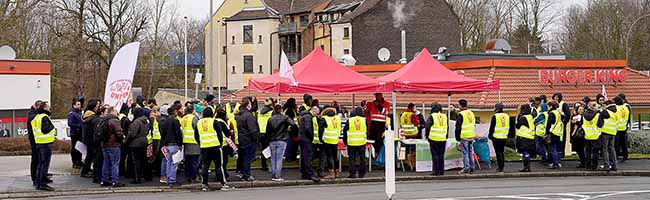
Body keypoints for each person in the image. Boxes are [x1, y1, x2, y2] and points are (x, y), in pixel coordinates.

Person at [198, 107, 232, 191]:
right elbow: (219, 134)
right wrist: (220, 144)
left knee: (205, 166)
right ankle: (223, 183)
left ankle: (204, 184)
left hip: (204, 147)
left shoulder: (199, 122)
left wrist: (200, 143)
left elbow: (196, 135)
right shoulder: (214, 121)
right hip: (215, 146)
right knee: (218, 166)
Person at [265, 105, 296, 181]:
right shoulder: (285, 117)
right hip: (282, 139)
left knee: (273, 158)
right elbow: (293, 125)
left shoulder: (270, 119)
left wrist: (268, 140)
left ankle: (273, 175)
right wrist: (288, 130)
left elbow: (267, 132)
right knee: (279, 158)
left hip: (272, 140)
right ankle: (277, 175)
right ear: (281, 110)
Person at [31, 101, 56, 191]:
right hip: (45, 144)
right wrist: (52, 127)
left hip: (39, 143)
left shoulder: (37, 117)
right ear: (44, 108)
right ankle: (42, 184)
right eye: (48, 107)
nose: (49, 108)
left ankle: (38, 182)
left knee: (40, 164)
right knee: (44, 164)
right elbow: (45, 130)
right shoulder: (44, 117)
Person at [100, 106, 125, 187]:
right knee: (115, 163)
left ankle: (104, 180)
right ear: (112, 111)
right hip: (114, 145)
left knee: (106, 162)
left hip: (104, 144)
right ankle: (115, 181)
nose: (117, 112)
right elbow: (119, 133)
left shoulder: (103, 120)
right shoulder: (114, 120)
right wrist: (122, 139)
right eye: (116, 111)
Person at [236, 99, 259, 181]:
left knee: (243, 157)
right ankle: (247, 175)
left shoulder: (239, 115)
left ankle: (242, 173)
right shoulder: (249, 116)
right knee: (248, 158)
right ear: (248, 105)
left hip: (242, 139)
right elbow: (252, 129)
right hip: (249, 140)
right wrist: (256, 138)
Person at [160, 104, 183, 187]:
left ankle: (168, 178)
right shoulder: (175, 121)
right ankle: (172, 180)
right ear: (174, 112)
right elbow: (178, 133)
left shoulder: (164, 121)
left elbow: (163, 133)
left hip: (167, 144)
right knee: (174, 163)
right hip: (174, 144)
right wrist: (180, 143)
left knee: (168, 162)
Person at [127, 107, 151, 184]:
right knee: (144, 160)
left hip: (136, 143)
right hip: (144, 141)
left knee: (136, 161)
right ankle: (147, 176)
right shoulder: (146, 121)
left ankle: (137, 178)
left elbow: (132, 134)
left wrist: (126, 140)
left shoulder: (136, 122)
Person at [81, 100, 103, 183]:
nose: (98, 107)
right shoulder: (92, 116)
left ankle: (86, 170)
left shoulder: (85, 114)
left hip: (87, 137)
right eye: (97, 106)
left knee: (89, 155)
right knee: (91, 155)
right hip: (91, 138)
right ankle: (86, 171)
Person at [342, 107, 367, 178]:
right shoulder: (364, 120)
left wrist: (345, 141)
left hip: (351, 142)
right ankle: (361, 173)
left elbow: (345, 131)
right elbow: (367, 129)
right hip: (361, 142)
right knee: (362, 158)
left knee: (352, 159)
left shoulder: (349, 120)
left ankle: (352, 173)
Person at [298, 106, 321, 182]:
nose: (316, 115)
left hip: (302, 138)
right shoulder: (308, 117)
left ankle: (304, 173)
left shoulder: (304, 115)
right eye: (317, 113)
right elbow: (308, 128)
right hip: (306, 139)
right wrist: (311, 137)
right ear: (314, 111)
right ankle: (309, 174)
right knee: (308, 156)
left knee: (304, 156)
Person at [28, 100, 48, 186]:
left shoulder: (35, 114)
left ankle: (41, 176)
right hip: (35, 140)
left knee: (40, 160)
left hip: (38, 140)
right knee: (36, 160)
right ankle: (35, 178)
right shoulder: (33, 115)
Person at [425, 103, 447, 176]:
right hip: (443, 139)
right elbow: (447, 127)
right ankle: (441, 171)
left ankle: (436, 171)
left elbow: (427, 126)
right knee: (441, 155)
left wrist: (427, 135)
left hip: (433, 138)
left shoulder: (432, 116)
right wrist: (445, 136)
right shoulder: (444, 116)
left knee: (435, 155)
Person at [455, 99, 476, 174]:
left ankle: (466, 167)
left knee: (465, 152)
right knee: (470, 151)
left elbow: (458, 127)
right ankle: (472, 166)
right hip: (471, 135)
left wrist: (457, 137)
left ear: (460, 105)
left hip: (464, 135)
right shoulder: (471, 113)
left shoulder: (461, 114)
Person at [319, 107, 341, 179]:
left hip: (327, 139)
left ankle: (331, 173)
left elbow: (321, 130)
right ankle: (337, 172)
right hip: (335, 139)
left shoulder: (324, 118)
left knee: (329, 157)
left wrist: (320, 138)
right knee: (335, 156)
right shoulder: (337, 118)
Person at [488, 103, 511, 173]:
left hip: (496, 137)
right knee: (502, 152)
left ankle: (500, 167)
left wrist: (490, 135)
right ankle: (502, 166)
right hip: (504, 137)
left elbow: (492, 127)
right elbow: (510, 126)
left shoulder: (495, 116)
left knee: (498, 152)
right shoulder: (507, 116)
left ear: (496, 109)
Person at [181, 104, 201, 183]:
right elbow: (197, 129)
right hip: (194, 141)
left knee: (187, 161)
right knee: (195, 161)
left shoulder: (183, 118)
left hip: (186, 141)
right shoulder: (194, 118)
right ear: (193, 110)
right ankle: (194, 176)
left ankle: (188, 176)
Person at [582, 102, 603, 171]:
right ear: (594, 107)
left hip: (586, 135)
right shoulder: (597, 115)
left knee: (587, 151)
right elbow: (600, 124)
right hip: (595, 135)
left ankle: (587, 165)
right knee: (595, 152)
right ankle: (594, 166)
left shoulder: (584, 114)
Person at [516, 104, 535, 172]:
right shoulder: (530, 116)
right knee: (527, 152)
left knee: (524, 152)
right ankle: (527, 167)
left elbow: (517, 126)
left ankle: (526, 167)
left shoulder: (523, 118)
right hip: (530, 137)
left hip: (524, 137)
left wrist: (518, 114)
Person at [215, 109, 233, 180]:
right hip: (223, 145)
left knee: (217, 162)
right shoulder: (222, 122)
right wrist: (231, 132)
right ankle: (223, 175)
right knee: (223, 162)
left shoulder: (214, 121)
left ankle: (218, 175)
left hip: (215, 143)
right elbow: (227, 133)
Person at [600, 100, 618, 172]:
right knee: (612, 149)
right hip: (613, 132)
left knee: (605, 150)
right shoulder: (616, 112)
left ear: (608, 105)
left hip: (605, 132)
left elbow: (600, 115)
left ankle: (606, 165)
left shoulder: (607, 112)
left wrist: (602, 109)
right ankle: (614, 165)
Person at [257, 97, 274, 172]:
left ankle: (263, 165)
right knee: (271, 149)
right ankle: (271, 166)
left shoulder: (259, 112)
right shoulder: (271, 113)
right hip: (268, 133)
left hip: (260, 133)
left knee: (263, 149)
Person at [545, 101, 563, 169]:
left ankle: (555, 163)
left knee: (553, 149)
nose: (547, 108)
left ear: (551, 106)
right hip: (558, 132)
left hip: (552, 132)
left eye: (548, 106)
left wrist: (547, 132)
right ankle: (558, 162)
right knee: (557, 149)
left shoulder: (552, 113)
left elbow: (549, 124)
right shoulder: (558, 113)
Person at [552, 93, 570, 158]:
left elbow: (567, 114)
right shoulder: (552, 104)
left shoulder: (563, 104)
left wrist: (564, 121)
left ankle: (562, 153)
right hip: (555, 125)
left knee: (562, 139)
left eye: (557, 97)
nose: (556, 98)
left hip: (562, 124)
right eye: (555, 97)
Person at [67, 98, 84, 169]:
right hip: (75, 133)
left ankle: (79, 160)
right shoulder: (72, 113)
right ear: (74, 105)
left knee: (80, 147)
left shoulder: (79, 112)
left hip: (80, 133)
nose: (79, 105)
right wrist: (79, 125)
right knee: (74, 148)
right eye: (78, 104)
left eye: (80, 104)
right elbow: (70, 123)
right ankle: (75, 162)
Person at [117, 103, 132, 179]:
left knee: (120, 158)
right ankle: (124, 172)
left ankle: (120, 171)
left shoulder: (117, 117)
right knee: (125, 157)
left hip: (118, 140)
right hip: (125, 141)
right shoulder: (126, 120)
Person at [614, 95, 631, 162]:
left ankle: (616, 156)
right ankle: (625, 156)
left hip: (617, 128)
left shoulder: (616, 108)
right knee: (624, 143)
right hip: (624, 127)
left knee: (617, 143)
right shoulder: (626, 107)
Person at [283, 98, 300, 163]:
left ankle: (291, 157)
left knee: (292, 144)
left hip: (291, 129)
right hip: (291, 130)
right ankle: (290, 157)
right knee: (291, 144)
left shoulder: (288, 109)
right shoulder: (290, 110)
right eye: (294, 102)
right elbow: (290, 120)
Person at [156, 105, 170, 184]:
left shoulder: (161, 120)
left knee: (165, 159)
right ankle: (163, 175)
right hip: (164, 142)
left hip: (163, 141)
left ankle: (164, 175)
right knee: (165, 159)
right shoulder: (163, 120)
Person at [570, 103, 586, 168]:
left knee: (581, 149)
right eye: (579, 109)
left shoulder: (583, 116)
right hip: (577, 135)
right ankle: (582, 161)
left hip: (580, 134)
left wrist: (573, 133)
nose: (581, 110)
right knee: (578, 149)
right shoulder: (575, 116)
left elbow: (577, 125)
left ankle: (583, 162)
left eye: (582, 109)